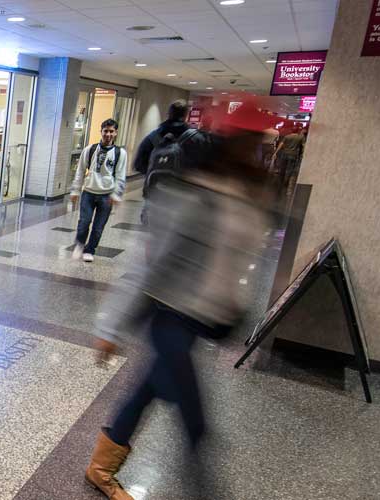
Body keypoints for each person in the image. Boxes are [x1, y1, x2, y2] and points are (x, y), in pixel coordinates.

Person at [83, 101, 274, 500]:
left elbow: (232, 261)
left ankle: (100, 468)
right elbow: (143, 264)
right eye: (251, 140)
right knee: (195, 420)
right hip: (168, 314)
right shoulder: (190, 194)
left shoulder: (245, 196)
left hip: (198, 318)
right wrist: (109, 327)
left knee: (147, 391)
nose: (257, 149)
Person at [70, 118, 127, 263]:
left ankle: (90, 250)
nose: (108, 134)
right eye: (105, 131)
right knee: (84, 222)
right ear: (101, 132)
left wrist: (116, 194)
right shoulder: (89, 149)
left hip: (106, 195)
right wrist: (76, 190)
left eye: (111, 131)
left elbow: (121, 175)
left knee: (98, 227)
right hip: (89, 192)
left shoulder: (120, 153)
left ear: (116, 133)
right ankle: (79, 244)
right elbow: (80, 171)